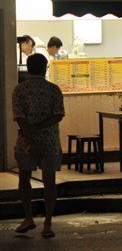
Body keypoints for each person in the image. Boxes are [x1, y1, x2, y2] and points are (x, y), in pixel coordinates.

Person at [12, 53, 65, 238]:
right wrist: (40, 127)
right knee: (49, 182)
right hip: (50, 141)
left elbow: (19, 117)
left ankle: (28, 218)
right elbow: (58, 115)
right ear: (45, 68)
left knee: (24, 179)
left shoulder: (19, 90)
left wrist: (31, 136)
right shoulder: (54, 89)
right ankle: (47, 224)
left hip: (25, 142)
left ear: (28, 68)